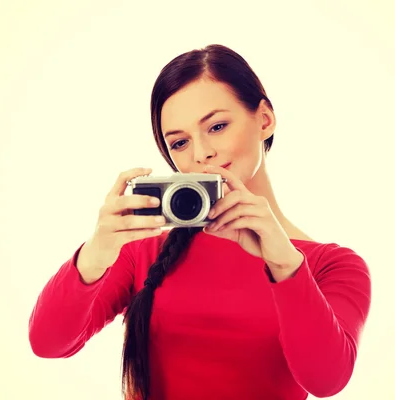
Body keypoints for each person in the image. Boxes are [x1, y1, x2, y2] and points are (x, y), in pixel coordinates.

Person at [28, 44, 372, 400]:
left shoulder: (331, 266)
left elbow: (326, 380)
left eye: (218, 126)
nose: (200, 153)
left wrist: (285, 265)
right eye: (179, 143)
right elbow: (48, 342)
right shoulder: (140, 253)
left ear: (265, 119)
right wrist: (96, 252)